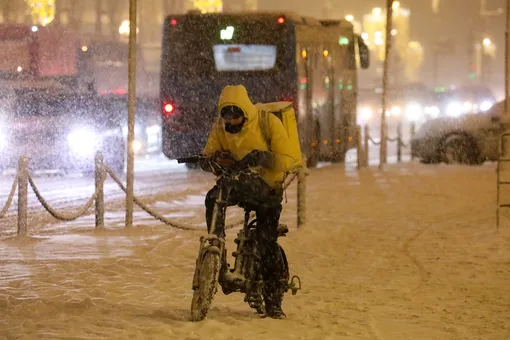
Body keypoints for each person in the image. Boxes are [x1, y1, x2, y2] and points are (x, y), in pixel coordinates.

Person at [201, 84, 297, 319]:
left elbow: (288, 160)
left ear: (245, 111)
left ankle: (274, 301)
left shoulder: (267, 123)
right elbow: (209, 154)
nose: (231, 121)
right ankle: (216, 245)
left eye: (235, 115)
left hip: (267, 190)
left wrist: (262, 158)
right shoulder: (220, 128)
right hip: (241, 185)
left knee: (266, 243)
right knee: (214, 197)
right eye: (226, 115)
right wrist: (211, 160)